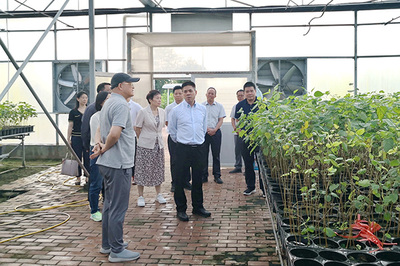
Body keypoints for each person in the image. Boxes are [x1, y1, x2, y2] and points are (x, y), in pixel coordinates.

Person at [90, 72, 140, 263]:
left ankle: (108, 244)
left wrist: (99, 145)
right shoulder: (120, 104)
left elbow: (101, 130)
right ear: (120, 86)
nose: (133, 87)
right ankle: (117, 250)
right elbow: (114, 134)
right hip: (119, 163)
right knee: (118, 208)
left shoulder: (109, 102)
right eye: (130, 83)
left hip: (109, 163)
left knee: (109, 206)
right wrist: (104, 147)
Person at [169, 81, 211, 222]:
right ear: (182, 93)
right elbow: (172, 131)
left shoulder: (202, 109)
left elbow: (203, 127)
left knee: (198, 180)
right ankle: (181, 209)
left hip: (199, 148)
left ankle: (198, 207)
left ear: (195, 92)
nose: (187, 93)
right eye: (185, 91)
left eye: (190, 91)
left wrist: (199, 140)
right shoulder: (176, 110)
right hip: (182, 148)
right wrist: (182, 142)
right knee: (180, 179)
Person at [134, 90, 166, 207]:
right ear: (150, 100)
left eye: (160, 98)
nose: (159, 100)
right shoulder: (143, 112)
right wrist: (142, 139)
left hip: (158, 145)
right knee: (142, 170)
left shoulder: (162, 112)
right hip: (145, 145)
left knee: (158, 169)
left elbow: (161, 127)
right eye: (157, 98)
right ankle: (140, 196)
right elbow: (137, 128)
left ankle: (158, 194)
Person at [234, 82, 265, 196]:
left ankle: (263, 188)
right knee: (248, 163)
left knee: (262, 164)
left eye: (251, 91)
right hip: (245, 139)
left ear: (255, 92)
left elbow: (266, 121)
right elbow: (238, 121)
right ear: (244, 93)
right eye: (247, 91)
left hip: (259, 139)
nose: (249, 93)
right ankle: (250, 187)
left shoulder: (262, 104)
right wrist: (243, 134)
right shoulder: (240, 105)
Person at [88, 91, 111, 222]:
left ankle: (107, 206)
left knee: (108, 183)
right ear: (101, 102)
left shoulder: (111, 115)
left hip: (108, 151)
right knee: (96, 183)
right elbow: (96, 137)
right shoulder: (96, 117)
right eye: (107, 99)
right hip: (97, 152)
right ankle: (94, 210)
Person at [81, 82, 112, 177]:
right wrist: (86, 145)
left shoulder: (110, 113)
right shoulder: (93, 110)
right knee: (96, 179)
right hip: (96, 146)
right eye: (108, 92)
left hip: (105, 147)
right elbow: (86, 129)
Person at [165, 85, 191, 192]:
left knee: (187, 160)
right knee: (175, 161)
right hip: (174, 138)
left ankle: (186, 181)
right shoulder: (169, 108)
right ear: (173, 95)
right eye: (176, 93)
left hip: (186, 138)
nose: (178, 95)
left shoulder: (189, 107)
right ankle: (175, 183)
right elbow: (167, 123)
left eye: (180, 93)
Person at [202, 87, 226, 184]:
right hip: (204, 133)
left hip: (216, 133)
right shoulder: (201, 106)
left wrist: (215, 129)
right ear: (206, 94)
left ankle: (217, 176)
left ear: (215, 96)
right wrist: (207, 129)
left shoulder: (219, 106)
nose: (210, 95)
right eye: (209, 93)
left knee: (216, 155)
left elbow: (221, 119)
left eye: (212, 93)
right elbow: (200, 119)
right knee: (204, 155)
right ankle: (204, 176)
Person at [67, 91, 88, 185]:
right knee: (77, 157)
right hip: (76, 137)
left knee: (88, 157)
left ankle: (87, 176)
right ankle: (78, 177)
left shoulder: (89, 110)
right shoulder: (73, 112)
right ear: (78, 99)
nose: (84, 99)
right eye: (83, 98)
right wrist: (68, 138)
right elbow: (70, 126)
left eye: (86, 98)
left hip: (87, 137)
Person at [229, 89, 245, 174]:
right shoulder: (235, 106)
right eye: (238, 96)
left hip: (247, 133)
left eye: (242, 95)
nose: (240, 97)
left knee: (247, 151)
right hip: (237, 133)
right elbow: (232, 118)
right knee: (237, 150)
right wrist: (235, 128)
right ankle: (238, 166)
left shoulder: (247, 105)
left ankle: (248, 168)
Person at [128, 95, 143, 185]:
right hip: (119, 136)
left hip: (131, 135)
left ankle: (134, 176)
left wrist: (137, 126)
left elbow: (143, 115)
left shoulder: (135, 106)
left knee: (133, 157)